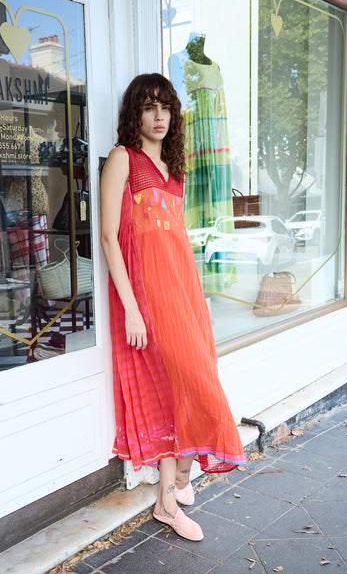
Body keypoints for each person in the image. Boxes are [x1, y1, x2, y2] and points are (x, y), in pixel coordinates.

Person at [100, 73, 246, 542]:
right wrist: (132, 310)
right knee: (174, 391)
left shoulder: (175, 169)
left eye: (165, 107)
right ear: (135, 114)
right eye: (148, 106)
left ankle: (178, 483)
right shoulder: (125, 159)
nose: (158, 116)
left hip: (183, 297)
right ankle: (170, 497)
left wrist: (195, 302)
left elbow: (177, 244)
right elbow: (108, 238)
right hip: (146, 300)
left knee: (194, 384)